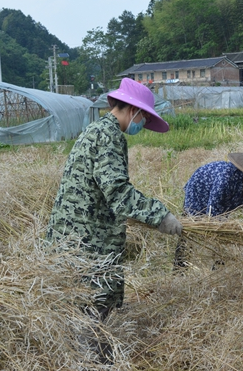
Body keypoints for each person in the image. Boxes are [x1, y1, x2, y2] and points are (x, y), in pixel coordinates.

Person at [46, 78, 183, 329]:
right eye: (143, 118)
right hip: (87, 241)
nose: (142, 125)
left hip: (74, 236)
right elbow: (118, 192)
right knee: (89, 310)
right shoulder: (109, 136)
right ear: (134, 111)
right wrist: (161, 216)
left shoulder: (96, 130)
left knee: (77, 305)